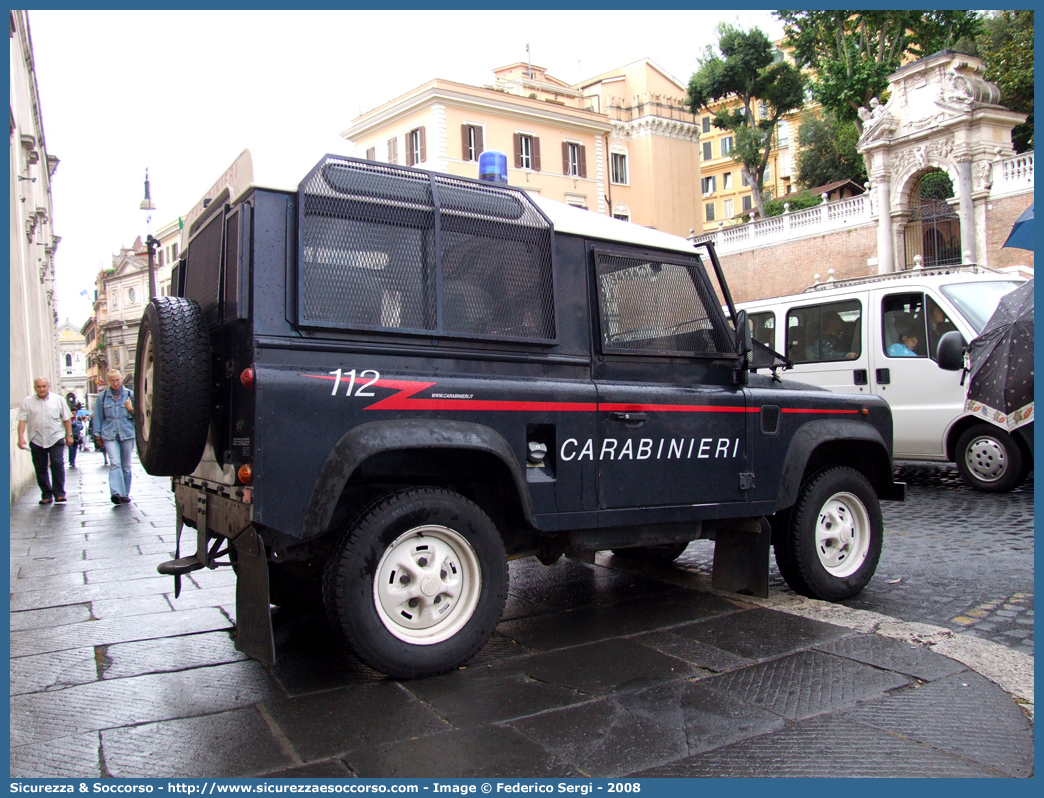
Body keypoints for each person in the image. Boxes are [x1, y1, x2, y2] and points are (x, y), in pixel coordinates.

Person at [16, 377, 74, 505]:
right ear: (35, 388)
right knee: (40, 467)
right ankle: (46, 494)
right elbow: (22, 420)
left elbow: (66, 418)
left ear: (48, 386)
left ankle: (59, 493)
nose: (41, 389)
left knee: (57, 463)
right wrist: (20, 437)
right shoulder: (27, 402)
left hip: (55, 437)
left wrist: (69, 435)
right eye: (38, 387)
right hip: (36, 438)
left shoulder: (58, 399)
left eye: (44, 386)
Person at [93, 369, 135, 505]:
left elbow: (139, 416)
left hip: (127, 433)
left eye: (117, 380)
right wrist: (97, 435)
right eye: (112, 380)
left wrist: (130, 409)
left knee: (126, 465)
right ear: (108, 382)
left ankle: (125, 493)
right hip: (109, 434)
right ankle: (116, 492)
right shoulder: (103, 397)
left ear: (121, 379)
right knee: (115, 462)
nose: (115, 383)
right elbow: (98, 416)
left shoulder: (130, 395)